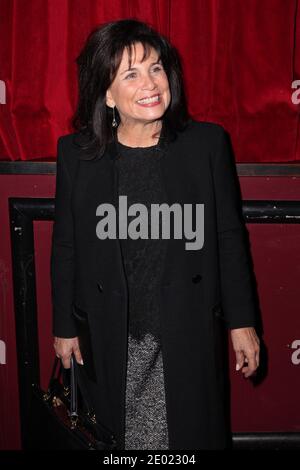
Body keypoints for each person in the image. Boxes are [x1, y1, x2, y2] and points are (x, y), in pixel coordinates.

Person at [51, 18, 260, 451]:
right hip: (112, 332)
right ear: (107, 93)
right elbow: (66, 245)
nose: (150, 83)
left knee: (183, 441)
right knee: (124, 443)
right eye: (131, 73)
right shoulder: (77, 155)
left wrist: (241, 321)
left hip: (183, 328)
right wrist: (63, 326)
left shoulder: (206, 145)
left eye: (156, 68)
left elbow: (227, 238)